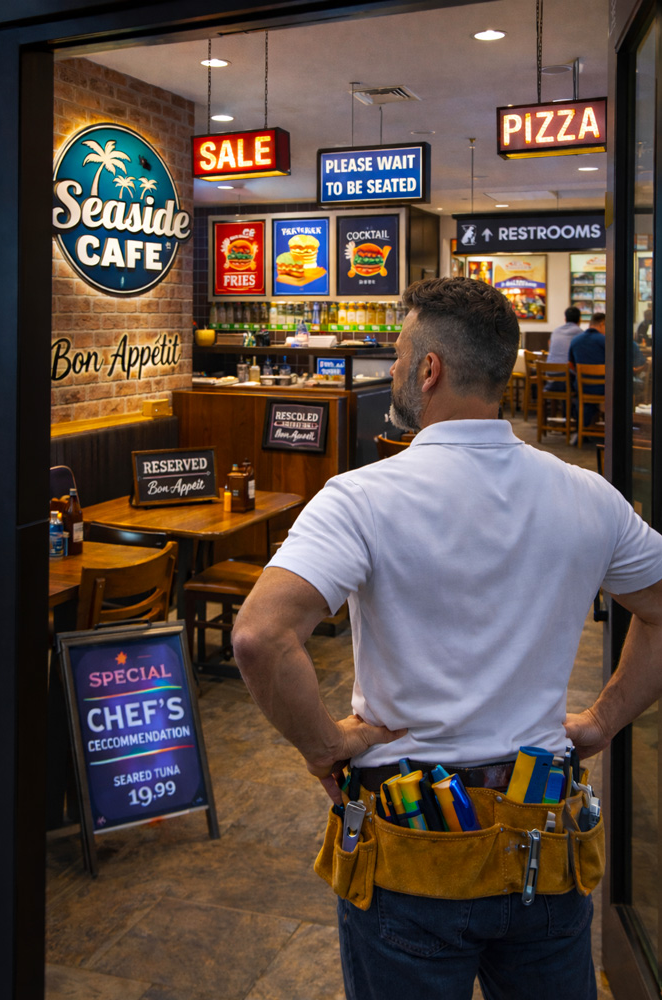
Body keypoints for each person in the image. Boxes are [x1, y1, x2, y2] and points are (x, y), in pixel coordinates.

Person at [233, 277, 662, 1000]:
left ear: (428, 369)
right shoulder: (587, 494)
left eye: (400, 353)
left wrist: (322, 745)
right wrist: (601, 721)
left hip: (409, 843)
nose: (395, 368)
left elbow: (259, 636)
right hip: (544, 835)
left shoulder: (361, 496)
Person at [569, 311, 606, 435]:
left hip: (582, 388)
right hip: (603, 390)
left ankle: (582, 429)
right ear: (602, 324)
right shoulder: (606, 341)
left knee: (579, 390)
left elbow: (571, 365)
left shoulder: (575, 340)